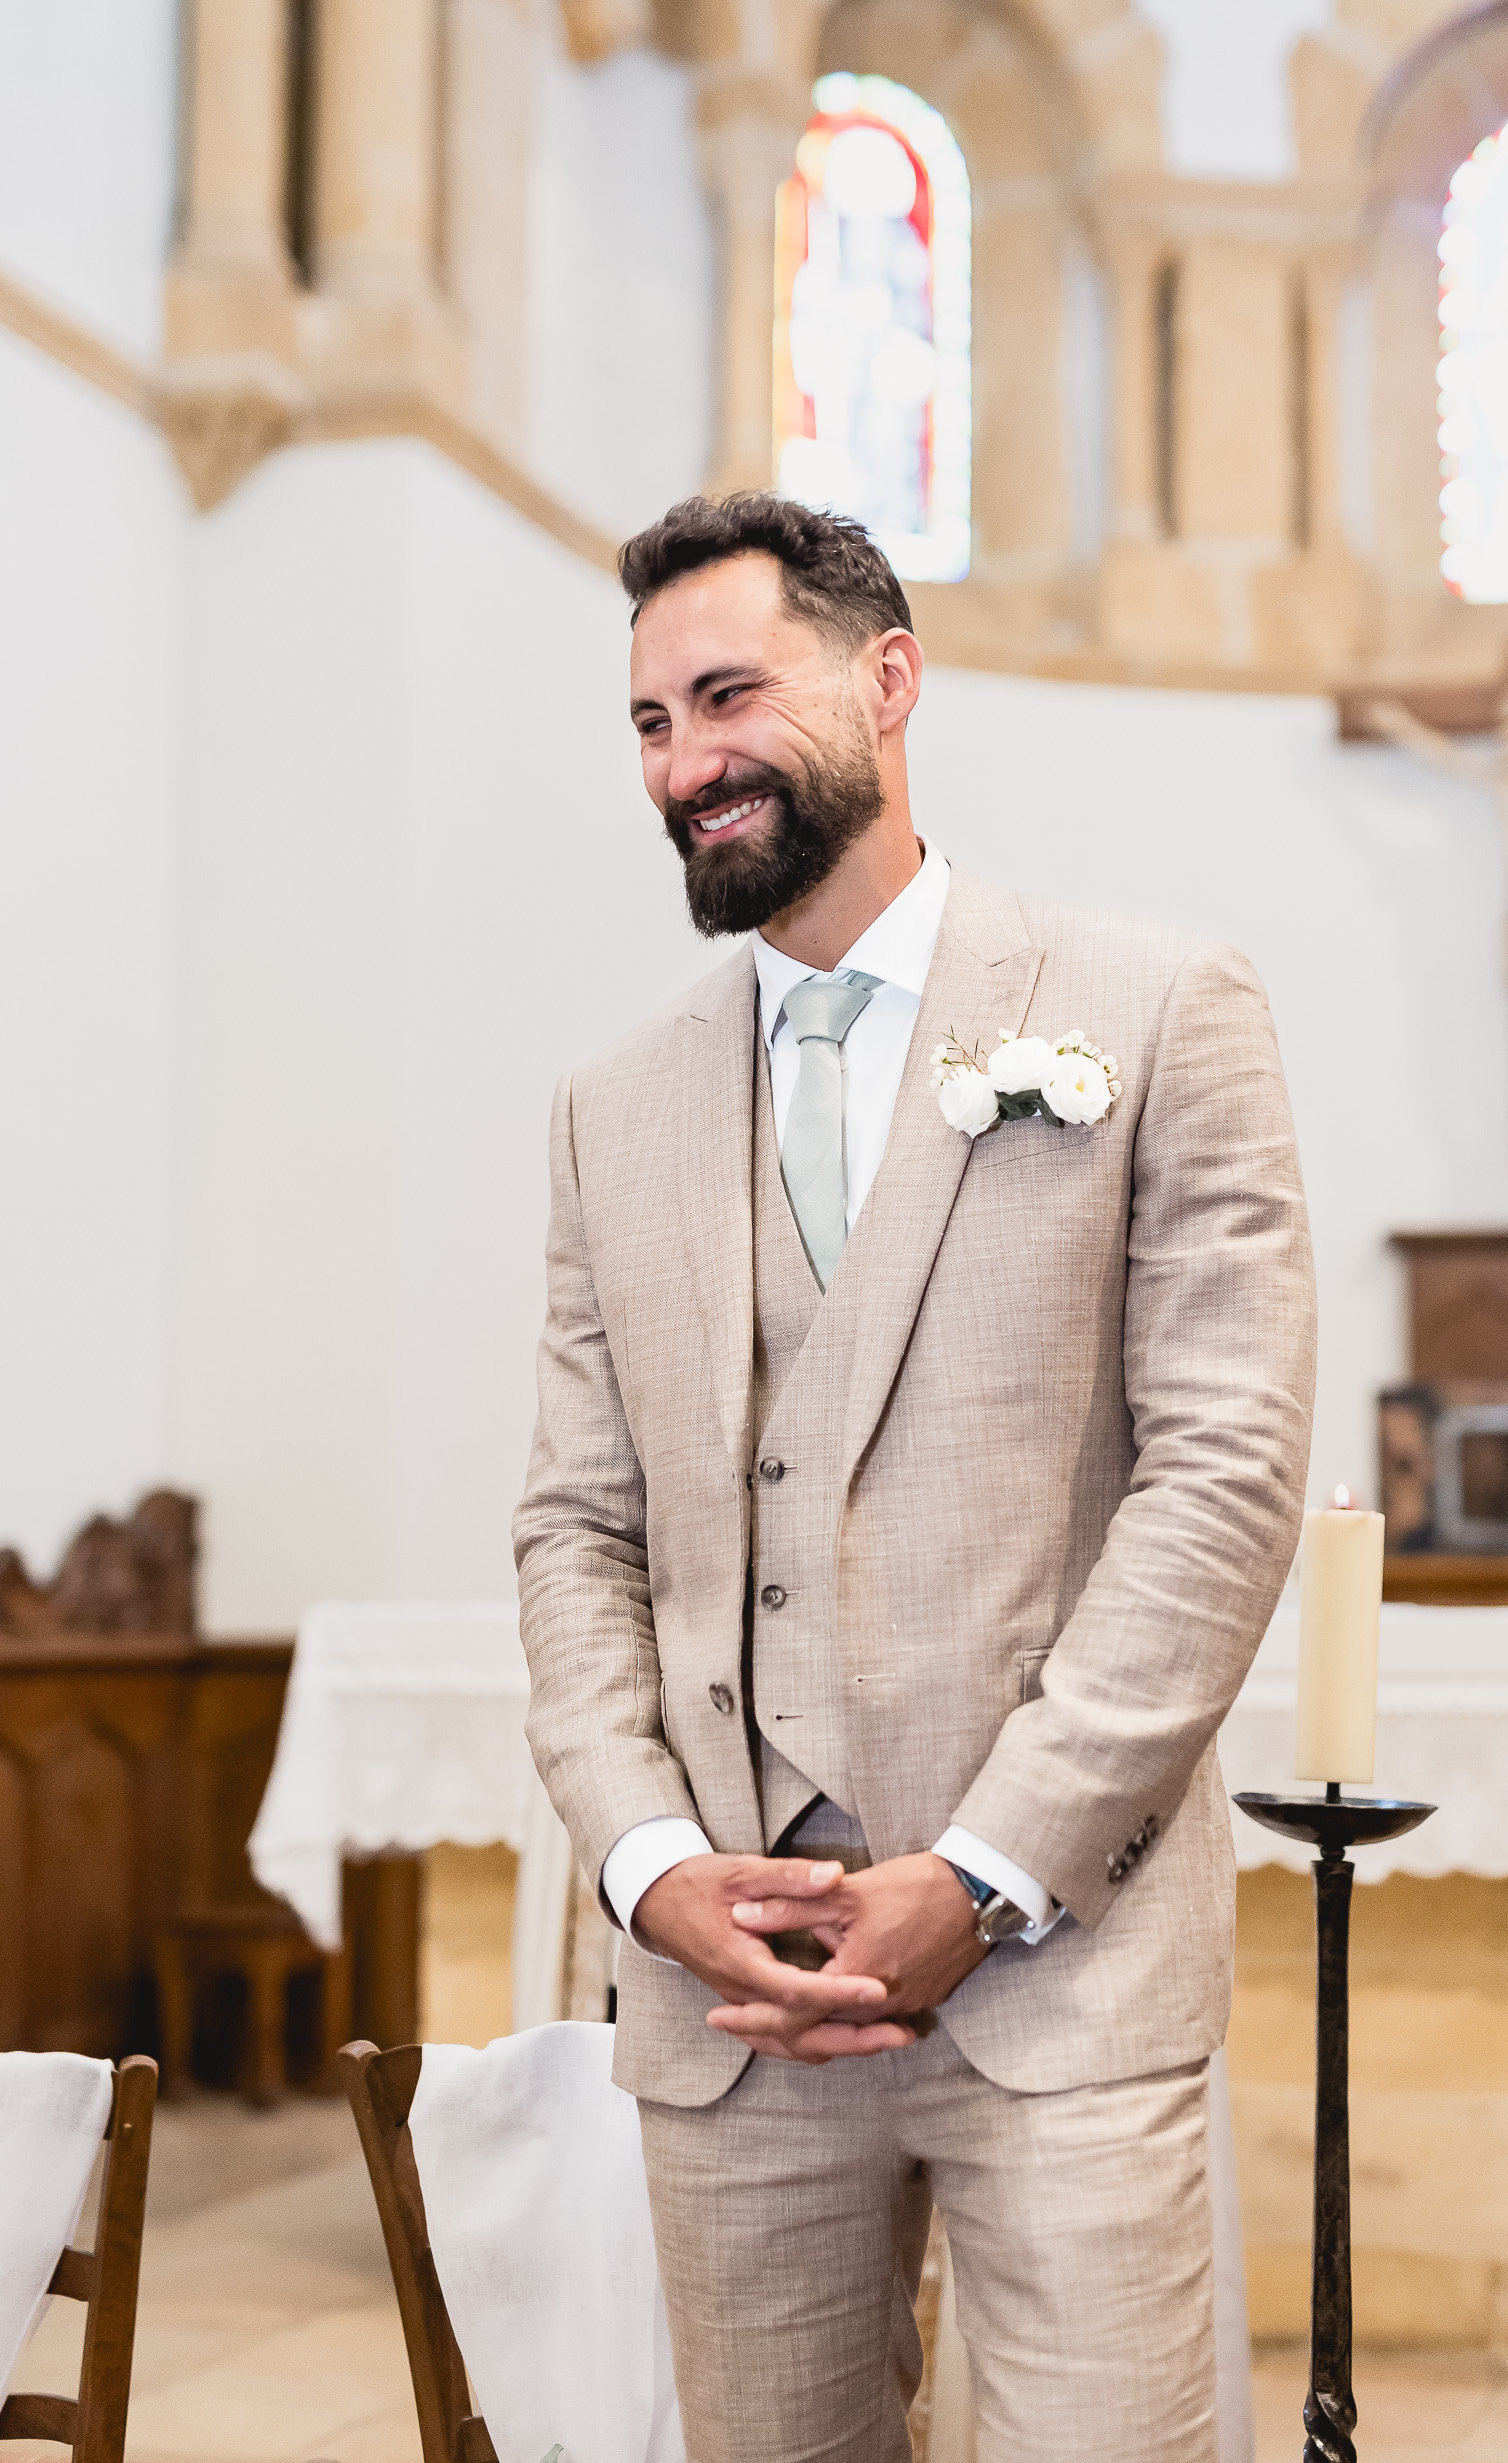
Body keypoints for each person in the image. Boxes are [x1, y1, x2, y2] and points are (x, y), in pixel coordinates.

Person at [515, 492, 1315, 2463]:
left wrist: (985, 1870)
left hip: (1061, 1975)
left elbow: (1222, 1470)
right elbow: (574, 1523)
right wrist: (648, 1867)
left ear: (888, 679)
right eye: (643, 723)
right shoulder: (612, 1110)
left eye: (725, 694)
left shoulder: (1152, 1006)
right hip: (734, 2007)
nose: (683, 763)